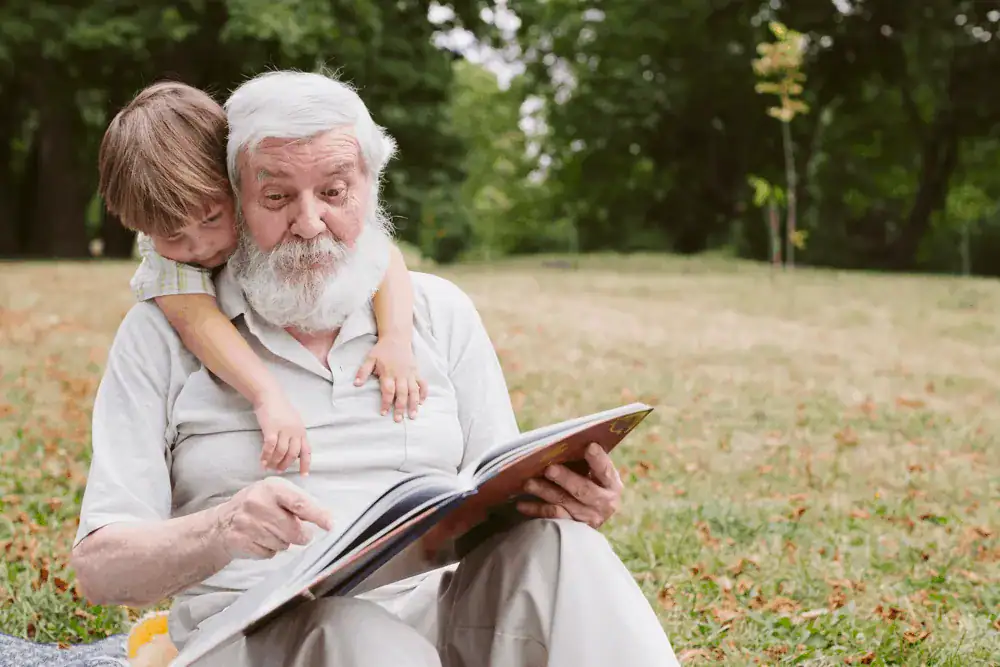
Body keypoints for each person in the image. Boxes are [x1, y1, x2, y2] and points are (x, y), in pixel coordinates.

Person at [71, 70, 680, 666]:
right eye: (278, 196)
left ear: (371, 187)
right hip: (254, 638)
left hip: (432, 617)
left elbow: (500, 501)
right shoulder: (161, 332)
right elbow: (100, 570)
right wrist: (222, 528)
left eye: (335, 192)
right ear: (238, 192)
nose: (309, 224)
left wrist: (563, 499)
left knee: (565, 549)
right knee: (350, 633)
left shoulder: (435, 311)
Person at [97, 81, 427, 475]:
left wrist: (395, 338)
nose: (200, 247)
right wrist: (266, 394)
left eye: (212, 220)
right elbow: (199, 322)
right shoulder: (167, 266)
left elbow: (382, 257)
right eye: (173, 236)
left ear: (233, 181)